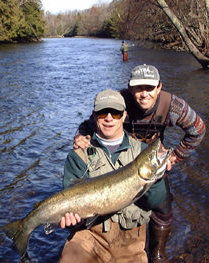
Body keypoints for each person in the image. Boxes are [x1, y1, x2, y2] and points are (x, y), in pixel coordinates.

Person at [73, 64, 206, 263]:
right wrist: (80, 137)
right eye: (138, 88)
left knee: (163, 204)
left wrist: (175, 157)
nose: (144, 94)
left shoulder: (173, 106)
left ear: (159, 87)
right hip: (121, 161)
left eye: (149, 88)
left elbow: (198, 130)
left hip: (152, 160)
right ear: (130, 88)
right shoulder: (118, 102)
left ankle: (158, 251)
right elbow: (89, 124)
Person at [58, 89, 170, 263]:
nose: (109, 118)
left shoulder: (141, 150)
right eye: (103, 113)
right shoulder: (79, 155)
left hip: (131, 243)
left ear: (124, 116)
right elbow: (69, 196)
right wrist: (73, 220)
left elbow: (155, 202)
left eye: (116, 113)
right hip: (88, 238)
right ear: (94, 116)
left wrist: (155, 178)